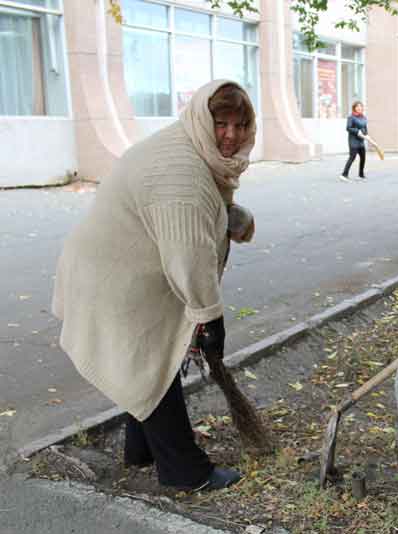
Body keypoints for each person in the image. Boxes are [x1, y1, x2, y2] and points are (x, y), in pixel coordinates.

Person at [52, 79, 258, 492]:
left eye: (240, 125)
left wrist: (232, 220)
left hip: (115, 265)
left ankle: (141, 448)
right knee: (152, 360)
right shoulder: (182, 171)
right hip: (110, 276)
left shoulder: (190, 149)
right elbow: (189, 255)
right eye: (221, 123)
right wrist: (210, 318)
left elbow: (204, 214)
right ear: (203, 118)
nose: (230, 136)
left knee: (148, 360)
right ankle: (185, 470)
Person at [340, 101, 368, 182]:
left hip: (361, 141)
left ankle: (361, 175)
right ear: (354, 108)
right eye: (357, 106)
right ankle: (344, 175)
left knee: (363, 158)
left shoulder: (364, 117)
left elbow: (365, 129)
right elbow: (348, 128)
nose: (359, 108)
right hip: (353, 141)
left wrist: (366, 134)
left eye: (361, 106)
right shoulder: (351, 117)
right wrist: (357, 131)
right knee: (352, 157)